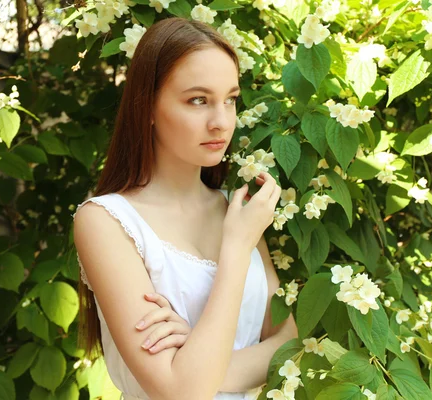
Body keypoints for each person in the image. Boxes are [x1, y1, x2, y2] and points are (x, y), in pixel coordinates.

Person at [72, 17, 298, 400]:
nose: (221, 121)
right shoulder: (106, 221)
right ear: (148, 106)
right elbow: (182, 392)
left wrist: (198, 360)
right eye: (198, 100)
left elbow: (290, 341)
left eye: (230, 99)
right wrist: (236, 248)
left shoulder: (236, 209)